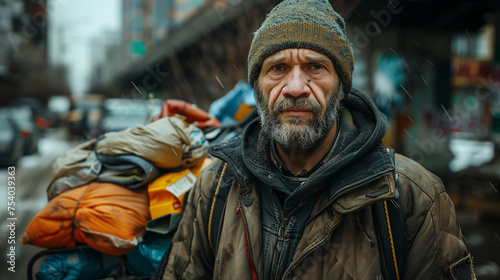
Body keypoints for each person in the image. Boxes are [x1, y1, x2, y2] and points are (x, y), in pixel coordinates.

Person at [159, 0, 476, 279]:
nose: (296, 87)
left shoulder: (412, 197)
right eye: (278, 68)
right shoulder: (215, 186)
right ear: (257, 88)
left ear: (341, 88)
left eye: (315, 66)